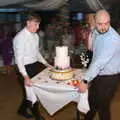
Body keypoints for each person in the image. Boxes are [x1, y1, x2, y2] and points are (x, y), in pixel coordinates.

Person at [79, 9, 120, 120]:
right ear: (95, 22)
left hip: (110, 78)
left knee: (103, 107)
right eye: (100, 24)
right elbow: (93, 51)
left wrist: (86, 79)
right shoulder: (97, 32)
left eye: (107, 23)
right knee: (91, 102)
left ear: (110, 21)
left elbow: (99, 62)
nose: (104, 27)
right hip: (98, 75)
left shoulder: (113, 38)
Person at [13, 12, 51, 120]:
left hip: (34, 66)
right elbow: (19, 60)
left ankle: (21, 110)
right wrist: (25, 76)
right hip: (23, 69)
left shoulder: (35, 36)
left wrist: (46, 63)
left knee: (28, 94)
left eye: (38, 24)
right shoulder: (19, 38)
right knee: (32, 93)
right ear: (28, 23)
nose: (38, 27)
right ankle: (38, 117)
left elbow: (37, 53)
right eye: (35, 24)